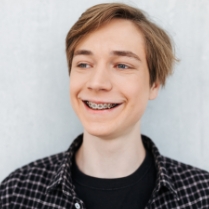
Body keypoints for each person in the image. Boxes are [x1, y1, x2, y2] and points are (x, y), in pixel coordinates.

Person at [1, 3, 209, 209]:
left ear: (154, 84)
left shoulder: (202, 195)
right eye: (84, 64)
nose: (97, 83)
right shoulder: (16, 193)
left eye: (122, 65)